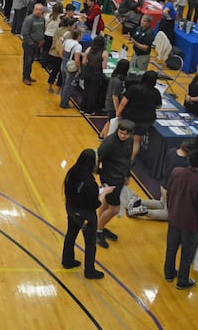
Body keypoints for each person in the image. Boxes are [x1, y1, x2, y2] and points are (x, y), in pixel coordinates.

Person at [62, 149, 113, 279]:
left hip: (71, 209)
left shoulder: (71, 172)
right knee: (90, 244)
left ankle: (67, 260)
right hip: (86, 216)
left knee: (71, 235)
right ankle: (90, 271)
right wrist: (104, 193)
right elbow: (95, 204)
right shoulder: (91, 184)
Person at [164, 149, 198, 290]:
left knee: (171, 248)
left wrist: (170, 209)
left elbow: (170, 192)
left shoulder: (176, 172)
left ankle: (169, 273)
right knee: (187, 253)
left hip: (174, 217)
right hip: (191, 225)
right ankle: (182, 280)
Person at [96, 119, 135, 249]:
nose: (123, 135)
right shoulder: (109, 143)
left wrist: (127, 175)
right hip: (110, 179)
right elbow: (97, 158)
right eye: (121, 132)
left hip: (120, 178)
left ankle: (98, 225)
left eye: (126, 134)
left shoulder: (129, 141)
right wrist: (99, 172)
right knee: (114, 209)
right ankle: (99, 231)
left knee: (106, 204)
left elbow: (128, 159)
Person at [117, 71, 162, 162]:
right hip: (146, 120)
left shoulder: (134, 89)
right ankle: (130, 161)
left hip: (131, 118)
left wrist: (118, 114)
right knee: (136, 141)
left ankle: (119, 157)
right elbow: (158, 106)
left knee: (124, 137)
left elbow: (123, 103)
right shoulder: (156, 92)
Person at [100, 59, 130, 139]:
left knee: (109, 120)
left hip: (109, 102)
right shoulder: (118, 82)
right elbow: (115, 96)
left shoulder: (115, 76)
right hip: (112, 104)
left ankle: (101, 135)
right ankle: (106, 138)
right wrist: (118, 110)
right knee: (111, 122)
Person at [81, 36, 108, 115]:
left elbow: (84, 62)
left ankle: (82, 108)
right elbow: (104, 67)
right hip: (97, 73)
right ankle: (89, 110)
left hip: (88, 71)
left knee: (86, 89)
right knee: (93, 92)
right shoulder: (104, 53)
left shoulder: (89, 49)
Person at [21, 3, 45, 85]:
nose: (38, 11)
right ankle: (25, 77)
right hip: (29, 44)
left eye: (40, 10)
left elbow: (42, 29)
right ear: (34, 9)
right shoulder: (29, 19)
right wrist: (31, 43)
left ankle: (28, 75)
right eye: (37, 9)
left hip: (37, 44)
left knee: (31, 61)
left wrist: (41, 40)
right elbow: (24, 33)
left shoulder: (42, 18)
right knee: (27, 61)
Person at [59, 29, 82, 108]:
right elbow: (77, 59)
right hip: (71, 67)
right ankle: (64, 103)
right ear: (78, 36)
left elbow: (60, 52)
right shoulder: (78, 46)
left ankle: (62, 100)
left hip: (63, 63)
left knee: (64, 83)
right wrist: (79, 69)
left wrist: (65, 60)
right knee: (68, 86)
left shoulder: (66, 41)